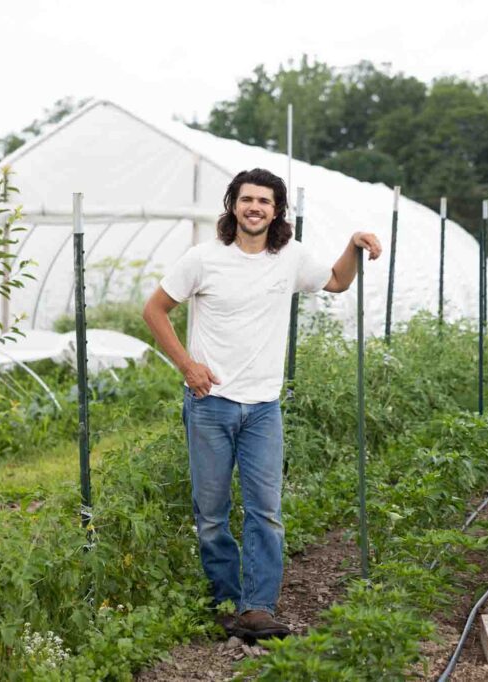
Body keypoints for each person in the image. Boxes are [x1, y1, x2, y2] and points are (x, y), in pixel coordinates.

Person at [142, 168, 382, 641]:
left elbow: (337, 281)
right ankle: (225, 599)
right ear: (233, 204)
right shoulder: (203, 259)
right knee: (211, 513)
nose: (255, 208)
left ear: (277, 211)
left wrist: (353, 244)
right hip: (210, 404)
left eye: (265, 202)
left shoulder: (289, 257)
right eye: (247, 199)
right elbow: (154, 310)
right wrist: (189, 367)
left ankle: (256, 608)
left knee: (265, 511)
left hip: (263, 409)